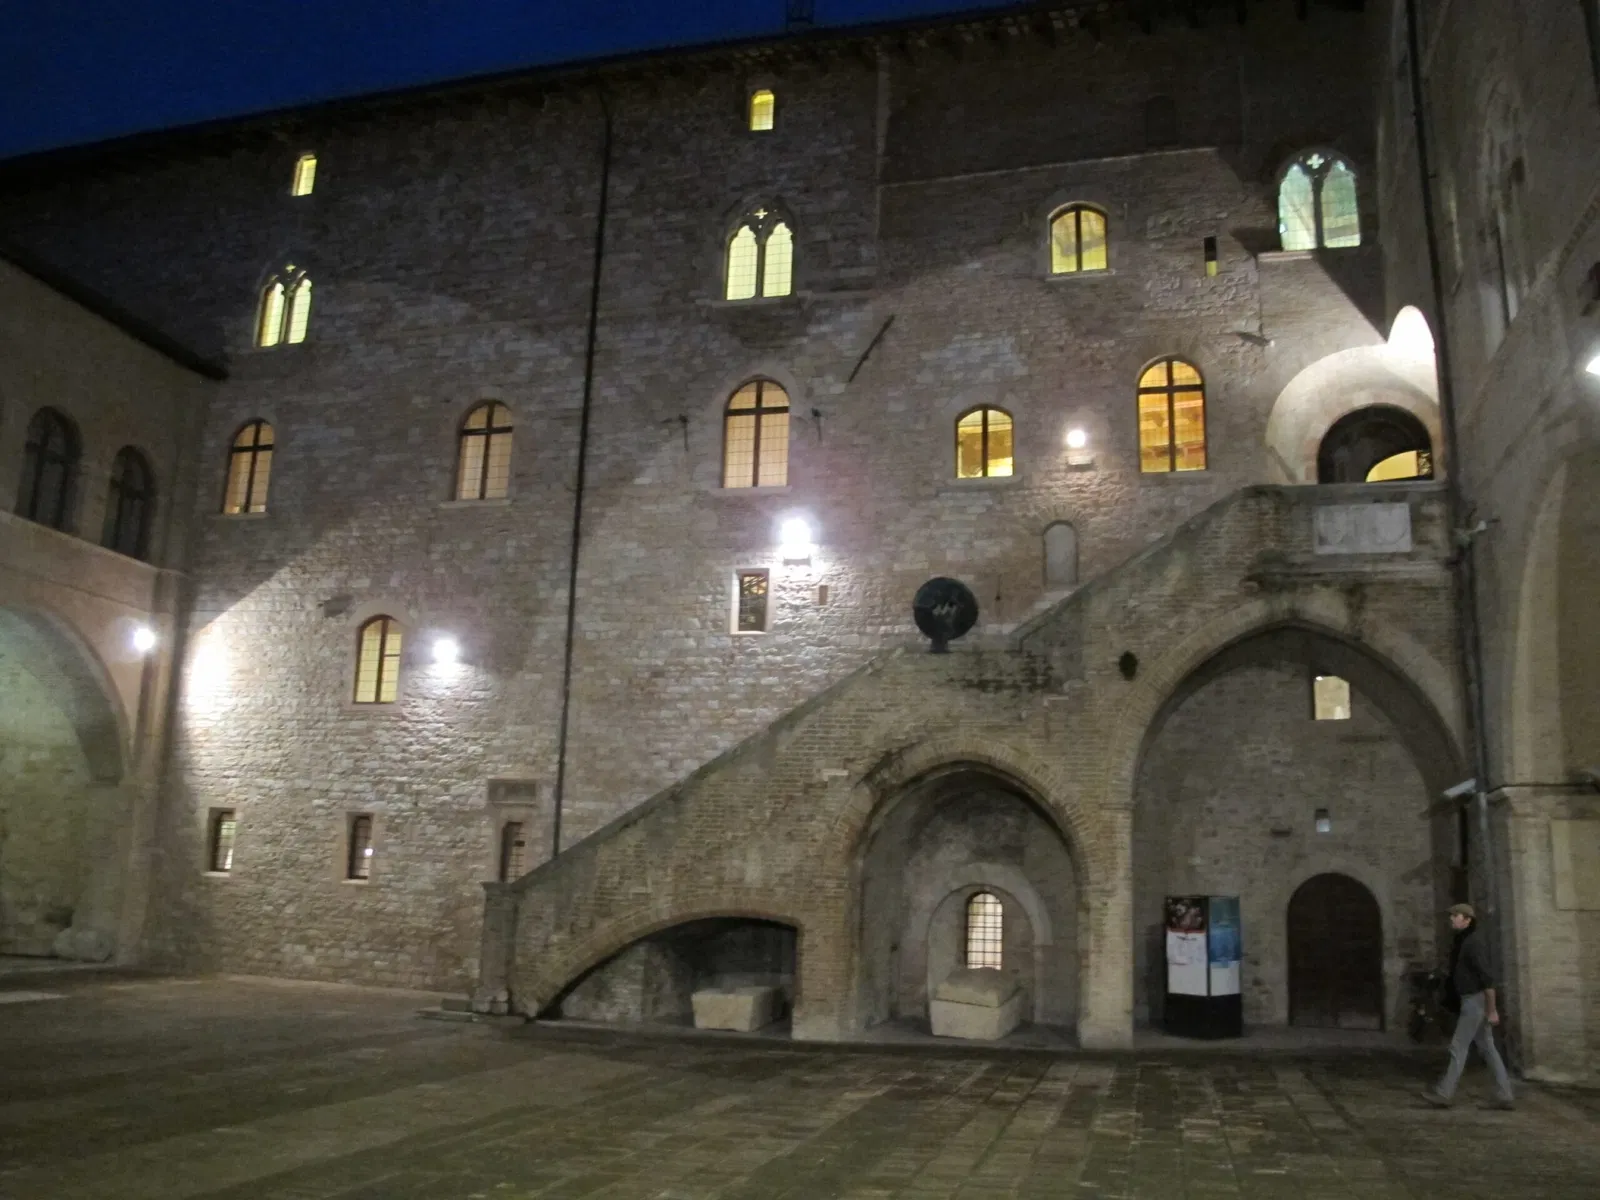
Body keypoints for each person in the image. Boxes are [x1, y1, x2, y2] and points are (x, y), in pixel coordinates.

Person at [1423, 902, 1514, 1110]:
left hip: (1474, 1001)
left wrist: (1492, 1009)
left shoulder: (1473, 943)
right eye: (1452, 915)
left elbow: (1487, 978)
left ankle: (1444, 1093)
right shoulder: (1465, 941)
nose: (1451, 918)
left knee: (1458, 1046)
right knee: (1488, 1048)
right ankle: (1505, 1094)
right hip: (1473, 1000)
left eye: (1456, 915)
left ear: (1467, 919)